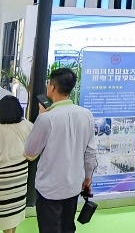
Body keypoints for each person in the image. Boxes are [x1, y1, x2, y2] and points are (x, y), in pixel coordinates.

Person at [24, 68, 96, 233]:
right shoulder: (86, 114)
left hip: (49, 190)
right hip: (73, 186)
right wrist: (87, 178)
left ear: (52, 87)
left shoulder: (46, 118)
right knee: (68, 228)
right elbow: (91, 152)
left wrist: (41, 116)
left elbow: (30, 151)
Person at [0, 96, 30, 233]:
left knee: (5, 216)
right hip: (20, 180)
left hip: (3, 181)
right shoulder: (27, 126)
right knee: (14, 215)